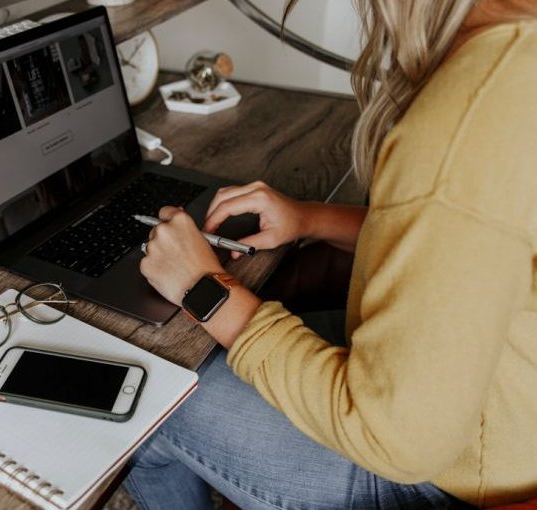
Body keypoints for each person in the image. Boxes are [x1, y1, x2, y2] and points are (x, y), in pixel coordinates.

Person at [124, 0, 537, 508]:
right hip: (505, 419)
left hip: (453, 483)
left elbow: (396, 440)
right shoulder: (520, 59)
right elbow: (466, 245)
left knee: (142, 384)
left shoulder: (467, 119)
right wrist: (309, 218)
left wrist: (202, 288)